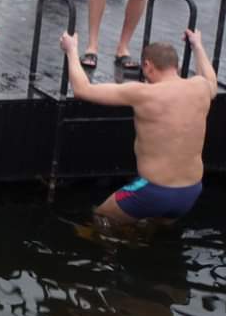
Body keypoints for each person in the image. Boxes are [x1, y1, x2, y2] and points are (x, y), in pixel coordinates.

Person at [60, 29, 215, 225]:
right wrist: (197, 45)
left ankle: (111, 252)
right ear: (176, 66)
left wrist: (71, 50)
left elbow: (82, 90)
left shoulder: (143, 93)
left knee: (101, 217)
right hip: (191, 191)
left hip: (152, 189)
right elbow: (211, 78)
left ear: (148, 66)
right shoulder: (201, 87)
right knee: (152, 227)